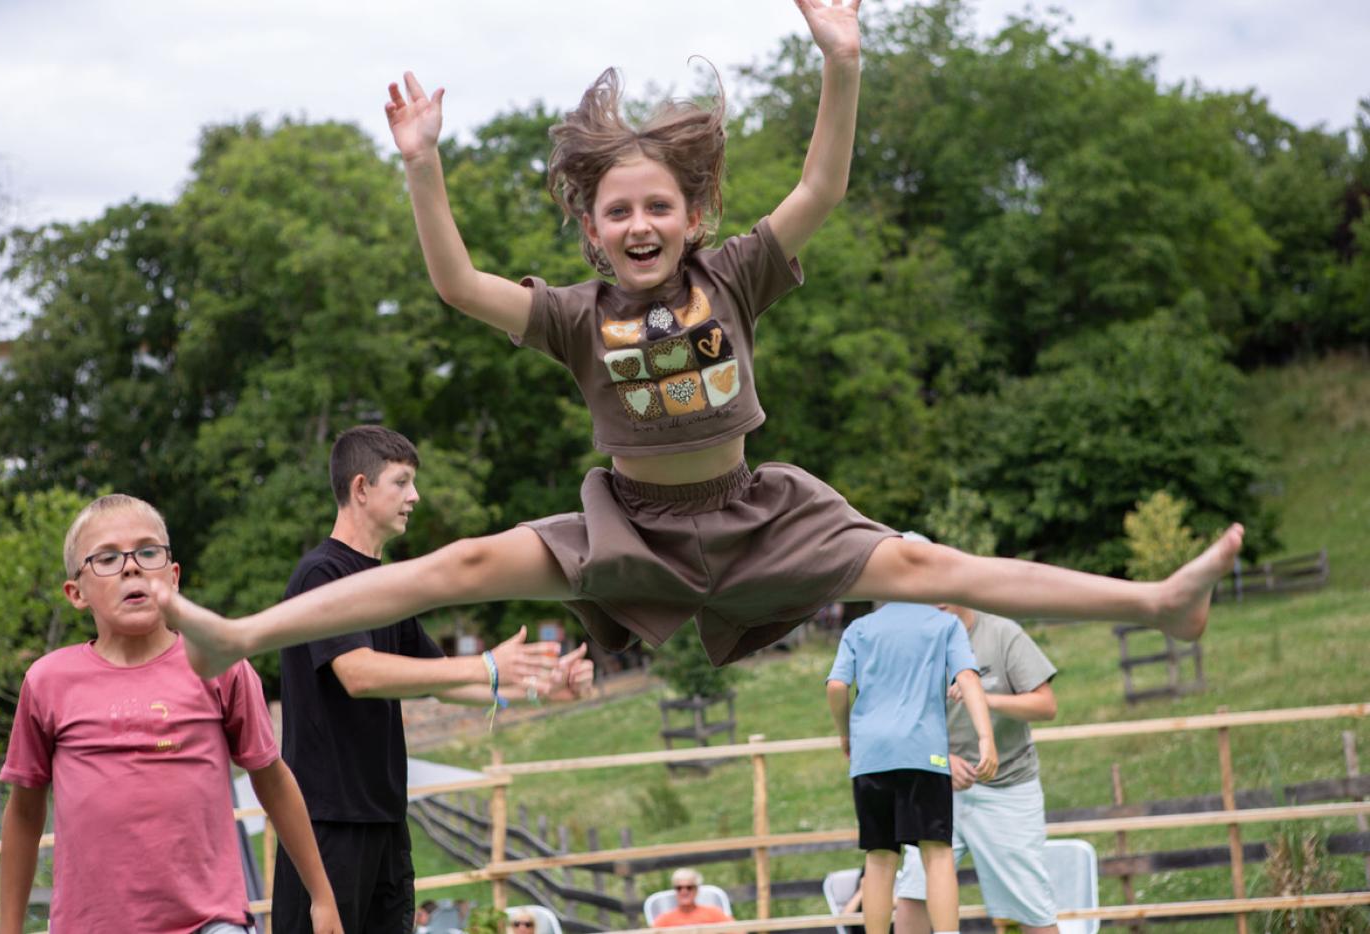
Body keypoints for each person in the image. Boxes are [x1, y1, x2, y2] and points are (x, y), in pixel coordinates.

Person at [156, 0, 1243, 683]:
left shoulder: (734, 276)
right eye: (617, 212)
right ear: (591, 230)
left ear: (693, 216)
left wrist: (842, 65)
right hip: (630, 526)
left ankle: (1157, 600)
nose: (638, 225)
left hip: (755, 518)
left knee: (922, 564)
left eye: (658, 208)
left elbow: (821, 189)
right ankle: (241, 636)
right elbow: (454, 284)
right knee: (464, 564)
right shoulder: (574, 314)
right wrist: (421, 167)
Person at [271, 426, 596, 934]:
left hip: (385, 822)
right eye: (401, 482)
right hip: (326, 826)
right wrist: (485, 665)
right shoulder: (322, 575)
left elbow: (442, 682)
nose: (415, 496)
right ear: (361, 488)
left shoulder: (386, 583)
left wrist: (541, 687)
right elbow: (358, 673)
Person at [0, 494, 341, 934]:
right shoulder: (48, 681)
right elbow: (24, 813)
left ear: (173, 576)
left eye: (147, 551)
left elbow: (272, 781)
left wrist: (322, 897)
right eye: (107, 558)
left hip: (210, 922)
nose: (131, 567)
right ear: (76, 593)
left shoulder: (219, 664)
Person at [827, 602, 998, 934]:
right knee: (937, 854)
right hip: (924, 755)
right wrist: (986, 738)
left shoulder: (859, 628)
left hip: (871, 755)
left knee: (879, 857)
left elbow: (836, 686)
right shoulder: (945, 624)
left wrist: (845, 734)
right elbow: (967, 677)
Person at [893, 605, 1060, 934]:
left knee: (1031, 905)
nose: (936, 599)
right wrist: (939, 760)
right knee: (914, 892)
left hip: (1008, 786)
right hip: (938, 788)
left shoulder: (1002, 633)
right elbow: (898, 724)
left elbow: (1046, 705)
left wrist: (982, 697)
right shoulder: (911, 643)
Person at [652, 868, 734, 928]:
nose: (684, 892)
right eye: (679, 888)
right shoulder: (664, 920)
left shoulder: (714, 914)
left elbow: (736, 931)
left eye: (689, 887)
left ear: (696, 890)